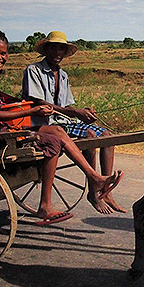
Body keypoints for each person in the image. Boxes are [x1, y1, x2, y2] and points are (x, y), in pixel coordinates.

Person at [0, 29, 123, 225]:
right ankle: (59, 198)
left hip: (34, 122)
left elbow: (64, 106)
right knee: (55, 142)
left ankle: (95, 179)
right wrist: (33, 112)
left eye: (3, 53)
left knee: (88, 134)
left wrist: (80, 112)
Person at [22, 30, 125, 214]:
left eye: (61, 49)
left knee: (107, 136)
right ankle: (94, 191)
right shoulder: (33, 70)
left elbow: (66, 107)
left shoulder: (63, 75)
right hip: (43, 124)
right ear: (46, 50)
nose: (58, 53)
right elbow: (37, 102)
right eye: (54, 48)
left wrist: (83, 113)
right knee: (90, 136)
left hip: (62, 121)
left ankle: (106, 191)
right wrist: (73, 112)